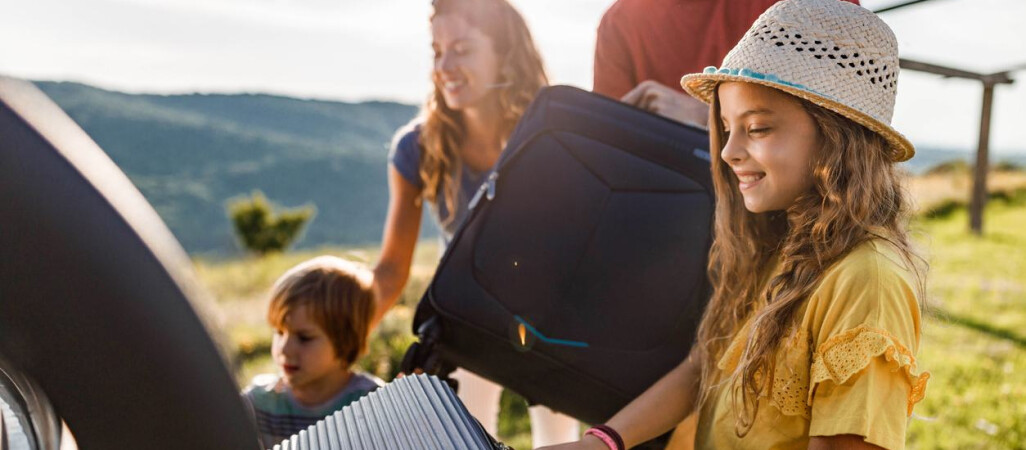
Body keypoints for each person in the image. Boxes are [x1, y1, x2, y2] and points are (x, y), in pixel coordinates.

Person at [544, 0, 929, 449]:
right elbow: (706, 364)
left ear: (836, 137)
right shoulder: (783, 248)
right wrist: (602, 443)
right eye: (726, 128)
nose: (728, 152)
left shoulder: (868, 282)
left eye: (758, 129)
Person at [370, 0, 579, 447]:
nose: (444, 66)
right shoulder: (416, 148)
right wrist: (342, 336)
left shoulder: (557, 136)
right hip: (466, 318)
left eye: (462, 50)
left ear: (504, 54)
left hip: (554, 320)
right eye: (437, 51)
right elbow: (391, 271)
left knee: (559, 439)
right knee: (461, 437)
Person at [593, 0, 858, 128]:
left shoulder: (816, 5)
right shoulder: (619, 22)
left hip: (800, 220)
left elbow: (851, 126)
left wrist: (708, 117)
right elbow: (606, 150)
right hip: (674, 211)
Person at [242, 256, 383, 448]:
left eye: (304, 338)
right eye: (280, 332)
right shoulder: (258, 404)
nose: (285, 349)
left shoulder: (373, 405)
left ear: (346, 340)